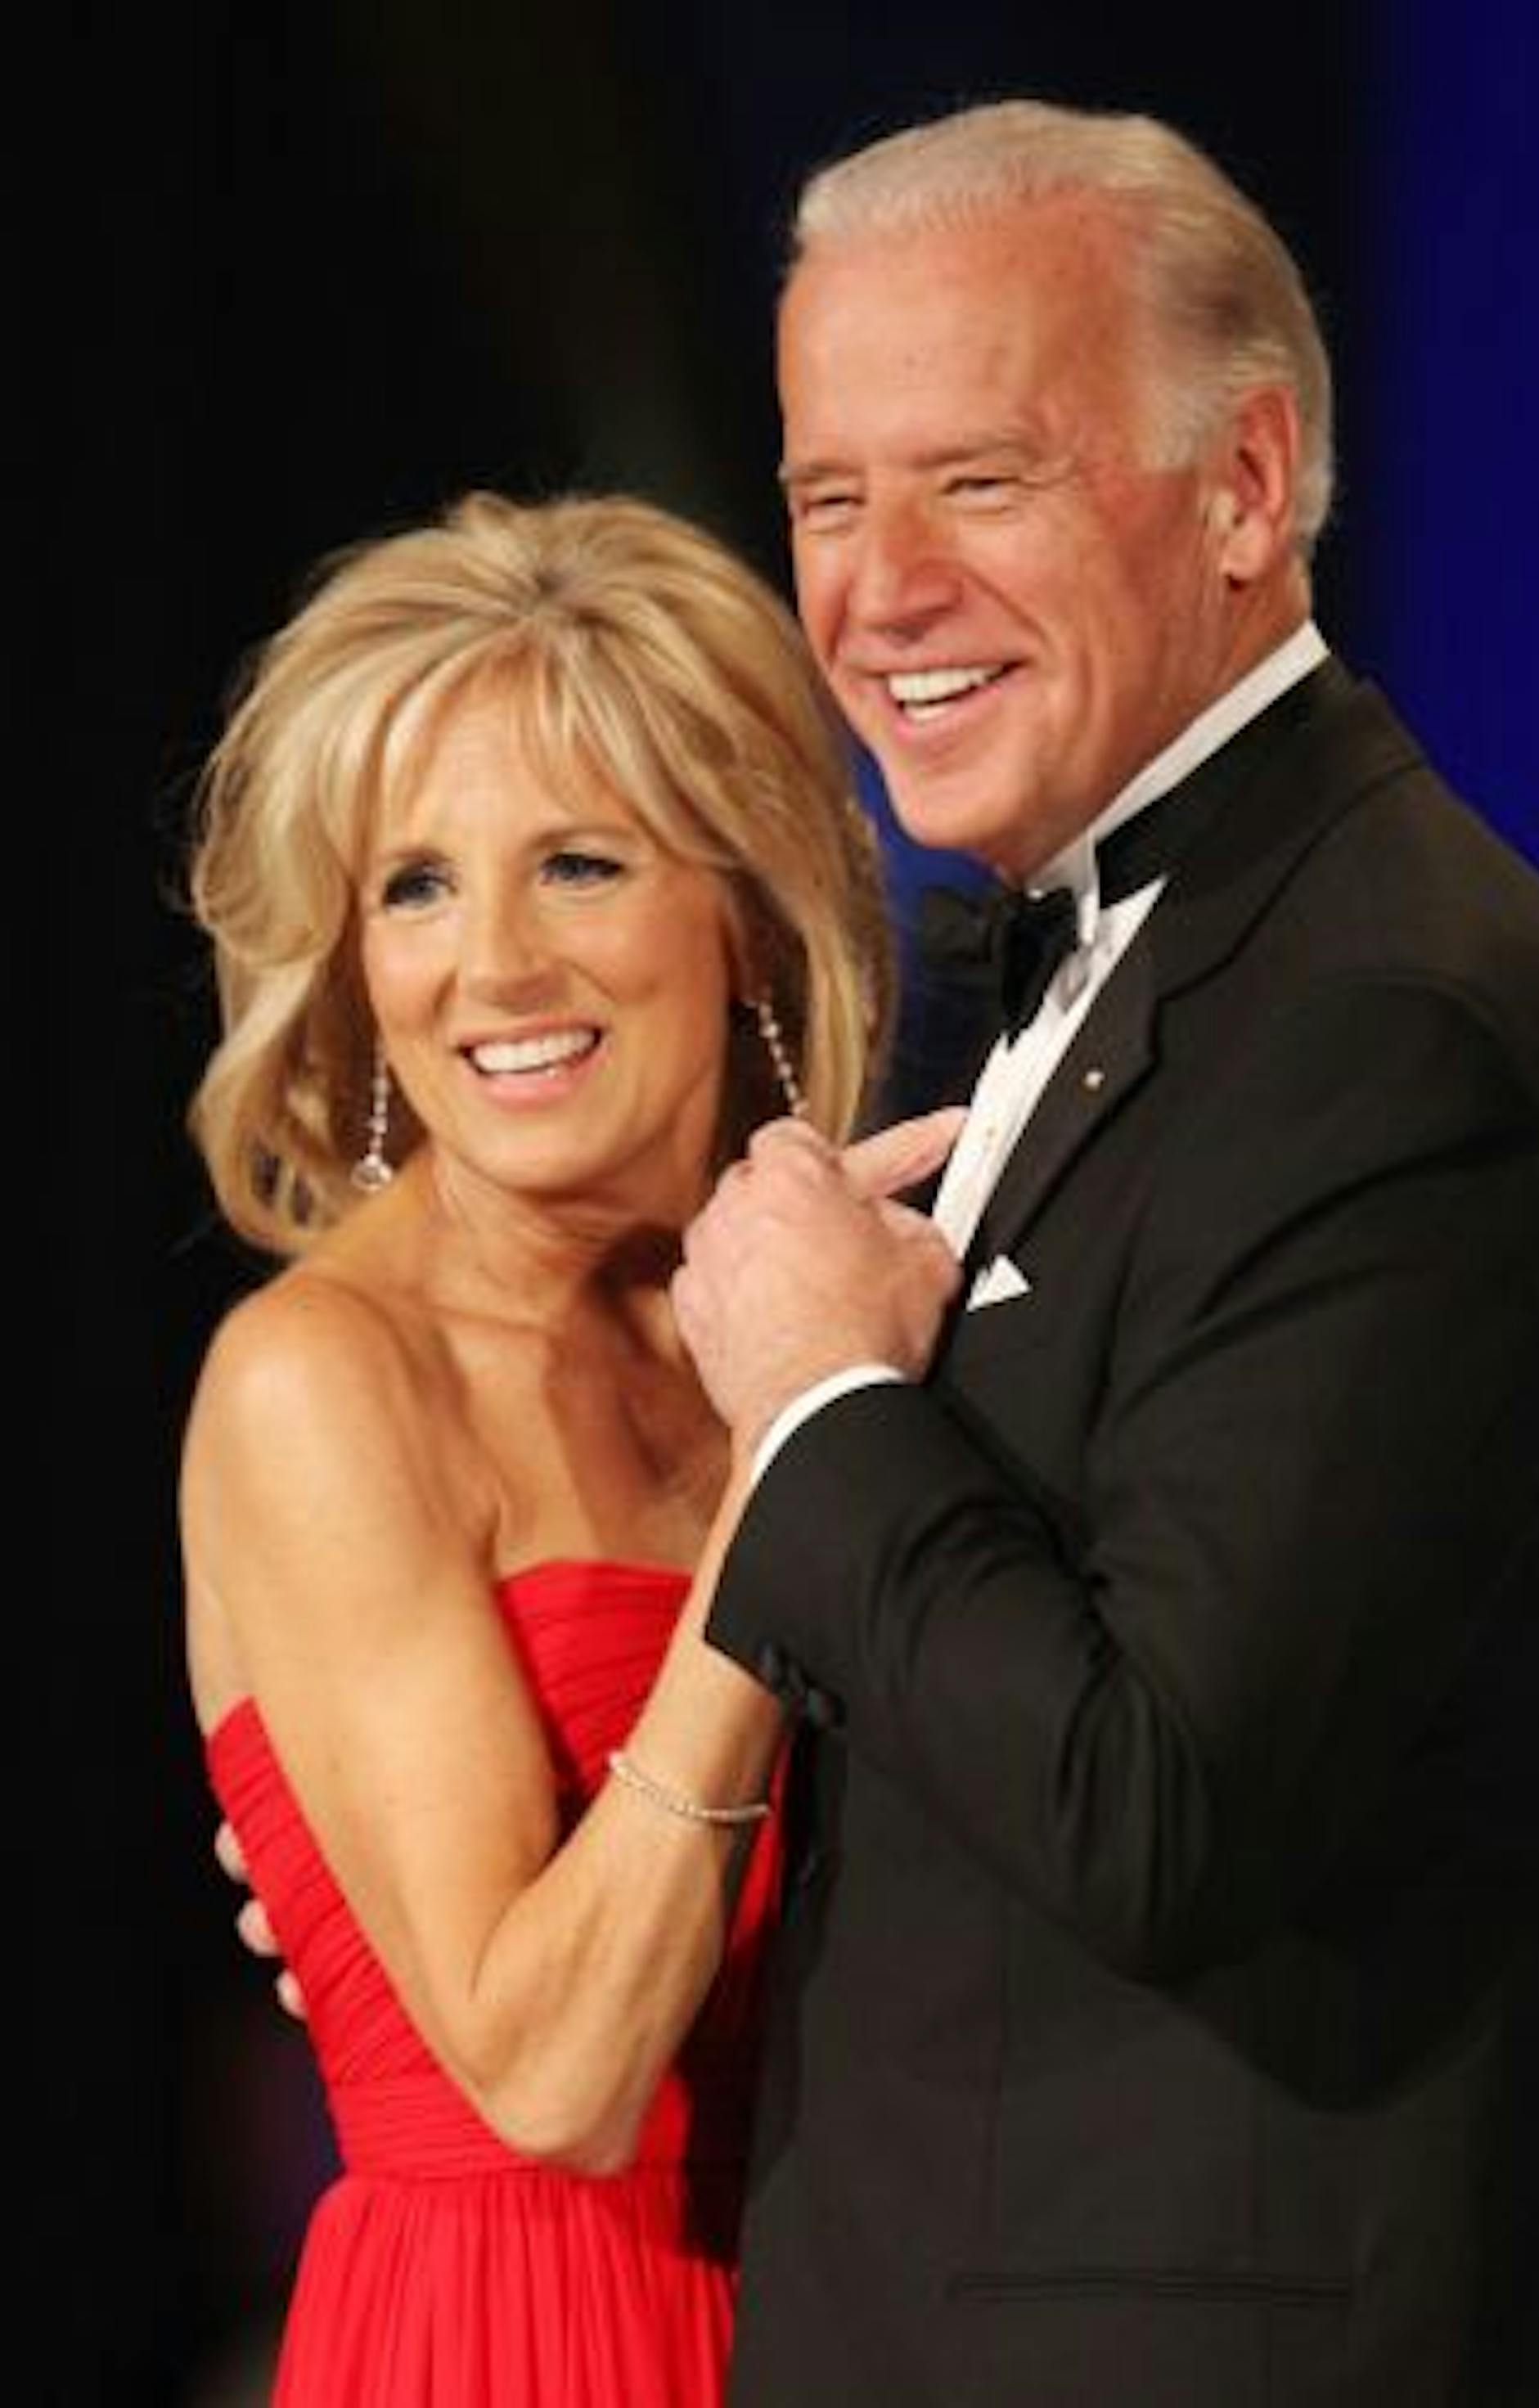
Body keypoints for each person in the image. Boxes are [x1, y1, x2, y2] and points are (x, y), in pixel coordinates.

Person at [668, 99, 1539, 2405]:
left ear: (1245, 491)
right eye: (828, 497)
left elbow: (1151, 1806)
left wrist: (828, 1400)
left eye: (978, 479)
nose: (876, 590)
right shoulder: (1159, 977)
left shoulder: (1389, 1035)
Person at [178, 486, 959, 2405]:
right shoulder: (323, 1375)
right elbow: (547, 2076)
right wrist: (804, 1460)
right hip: (520, 2341)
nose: (495, 966)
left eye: (583, 865)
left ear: (747, 916)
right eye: (418, 885)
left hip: (852, 2312)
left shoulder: (834, 1313)